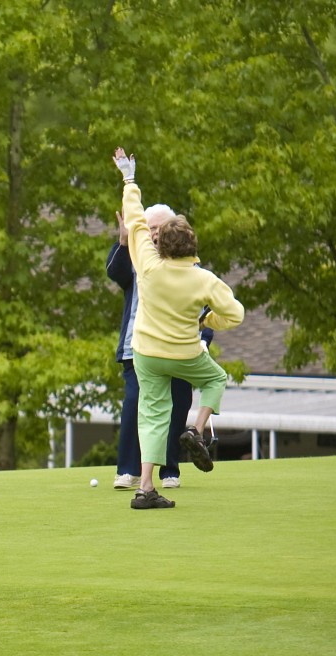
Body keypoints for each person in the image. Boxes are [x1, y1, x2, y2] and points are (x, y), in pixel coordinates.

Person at [112, 148, 244, 509]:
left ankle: (145, 488)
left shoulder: (149, 268)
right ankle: (195, 429)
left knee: (151, 416)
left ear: (163, 245)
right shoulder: (203, 279)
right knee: (216, 379)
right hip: (185, 355)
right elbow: (235, 315)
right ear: (192, 245)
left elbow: (136, 221)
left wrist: (129, 178)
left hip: (147, 355)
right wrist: (207, 320)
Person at [106, 208, 215, 490]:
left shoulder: (190, 267)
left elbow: (206, 310)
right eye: (149, 228)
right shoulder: (137, 255)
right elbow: (114, 272)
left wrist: (203, 342)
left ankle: (169, 470)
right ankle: (128, 470)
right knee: (135, 405)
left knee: (177, 407)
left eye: (159, 228)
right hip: (139, 347)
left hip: (180, 348)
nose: (154, 233)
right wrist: (122, 241)